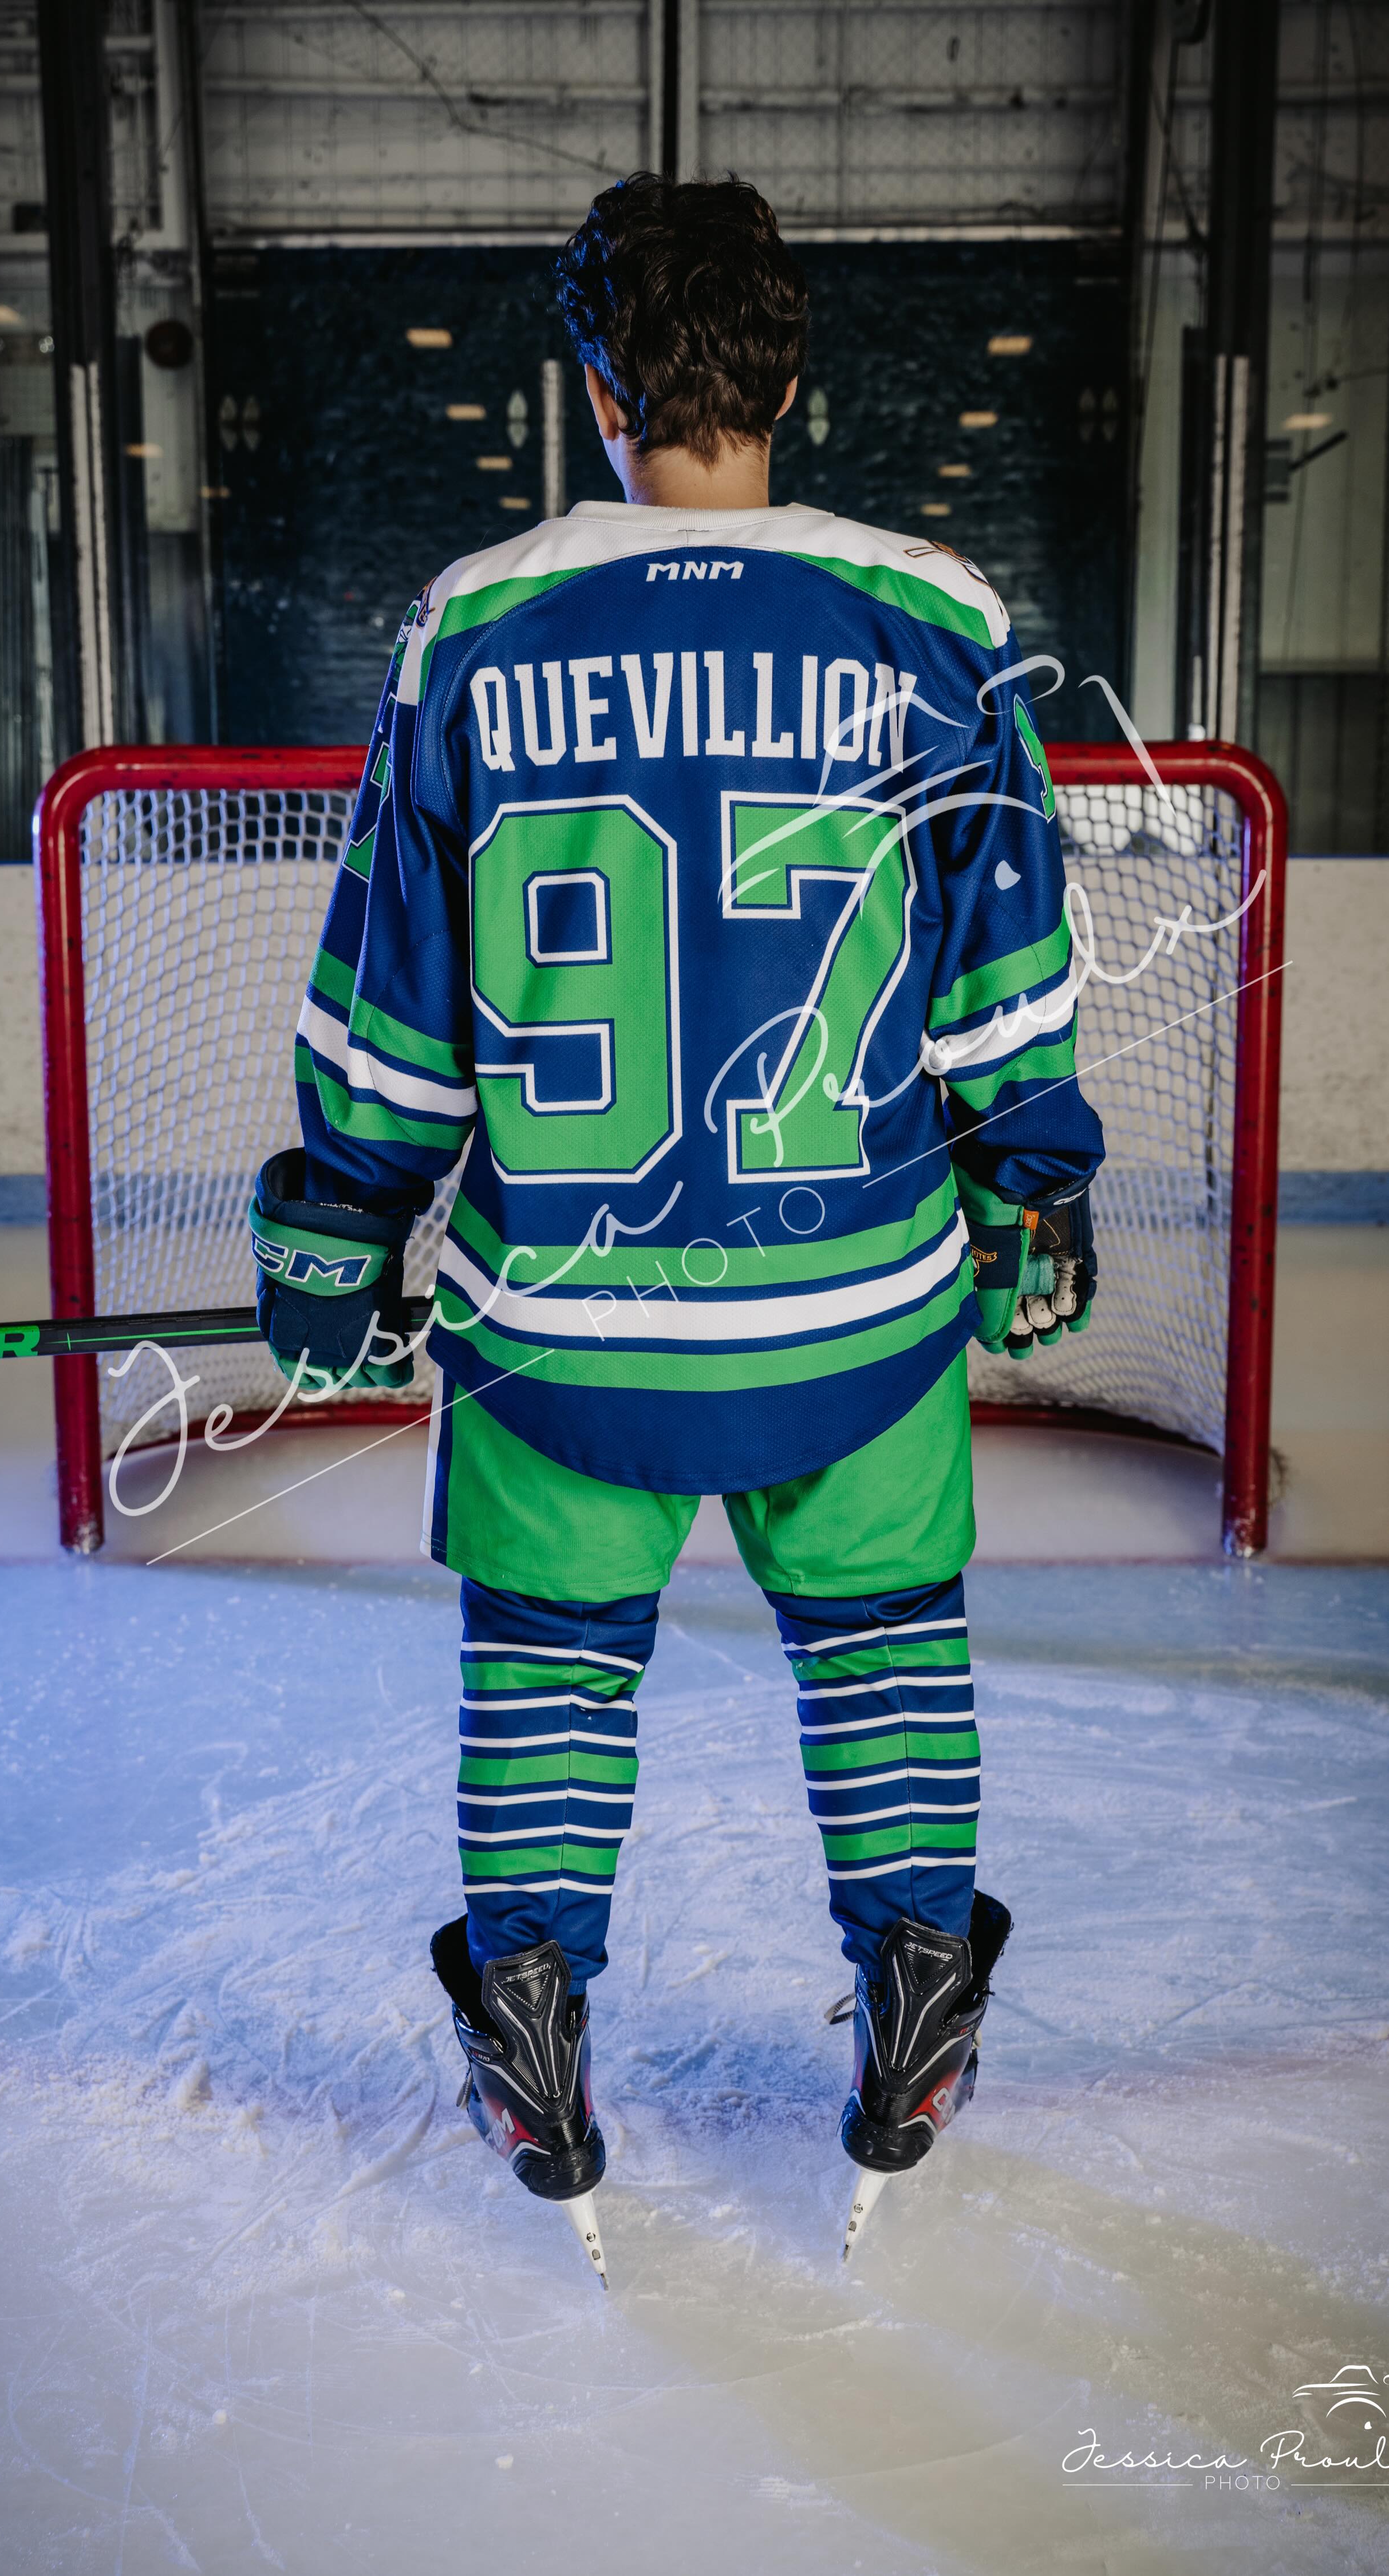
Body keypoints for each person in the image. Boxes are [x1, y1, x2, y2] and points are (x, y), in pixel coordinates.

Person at [250, 173, 1104, 2279]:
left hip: (565, 1324)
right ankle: (915, 1993)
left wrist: (345, 1216)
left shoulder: (473, 623)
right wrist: (1030, 1176)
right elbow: (1007, 975)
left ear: (596, 375)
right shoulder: (932, 614)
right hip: (856, 1302)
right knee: (883, 1642)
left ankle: (532, 2018)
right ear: (790, 369)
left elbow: (396, 1005)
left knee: (549, 1671)